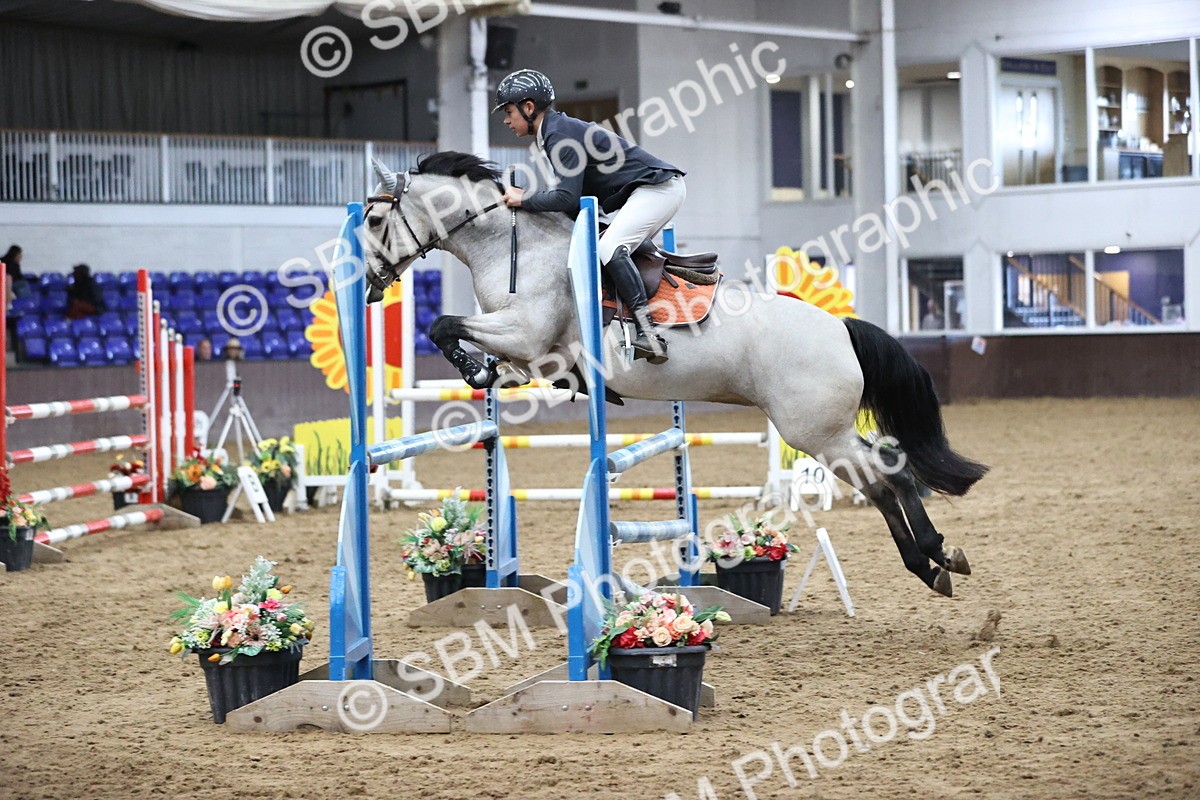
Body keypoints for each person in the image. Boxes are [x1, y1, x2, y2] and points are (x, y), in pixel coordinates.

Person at [494, 69, 685, 363]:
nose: (507, 120)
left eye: (509, 111)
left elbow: (567, 198)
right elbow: (572, 203)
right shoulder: (555, 132)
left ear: (529, 107)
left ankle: (649, 333)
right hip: (647, 192)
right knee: (603, 241)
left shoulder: (558, 135)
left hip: (658, 190)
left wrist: (524, 199)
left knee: (609, 247)